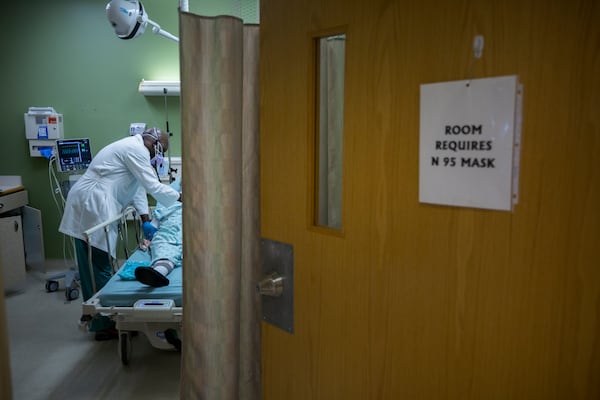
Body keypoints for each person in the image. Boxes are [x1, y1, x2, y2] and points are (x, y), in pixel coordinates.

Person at [59, 127, 182, 340]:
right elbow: (153, 186)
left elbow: (139, 188)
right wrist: (182, 197)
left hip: (97, 203)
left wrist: (145, 220)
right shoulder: (136, 150)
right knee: (97, 262)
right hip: (93, 203)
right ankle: (103, 323)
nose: (157, 157)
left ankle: (160, 267)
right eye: (159, 152)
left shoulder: (133, 150)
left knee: (97, 260)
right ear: (154, 145)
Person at [134, 178, 183, 287]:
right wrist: (149, 238)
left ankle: (158, 271)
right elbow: (155, 223)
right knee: (164, 250)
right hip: (168, 233)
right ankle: (157, 273)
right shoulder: (169, 201)